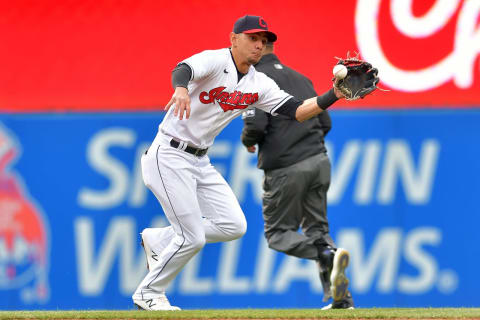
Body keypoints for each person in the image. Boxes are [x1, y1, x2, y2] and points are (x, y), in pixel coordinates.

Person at [131, 14, 360, 311]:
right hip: (168, 154)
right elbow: (184, 68)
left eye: (263, 40)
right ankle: (148, 293)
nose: (259, 44)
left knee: (233, 225)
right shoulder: (215, 60)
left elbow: (298, 111)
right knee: (193, 237)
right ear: (233, 38)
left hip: (200, 160)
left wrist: (335, 94)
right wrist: (181, 89)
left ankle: (159, 239)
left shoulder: (259, 83)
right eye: (252, 38)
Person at [240, 42, 354, 310]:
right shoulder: (301, 78)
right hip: (319, 160)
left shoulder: (255, 79)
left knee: (278, 234)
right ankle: (341, 299)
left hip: (285, 167)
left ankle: (327, 255)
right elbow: (325, 122)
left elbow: (255, 126)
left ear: (255, 48)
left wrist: (248, 140)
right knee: (318, 230)